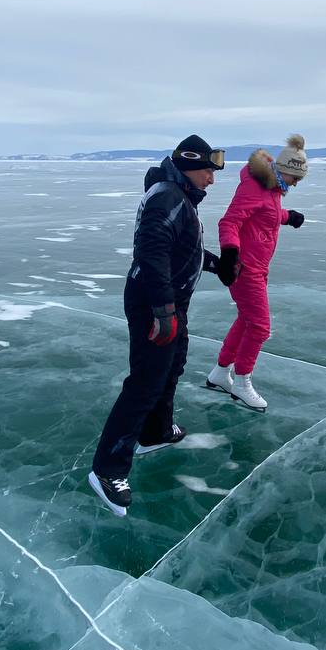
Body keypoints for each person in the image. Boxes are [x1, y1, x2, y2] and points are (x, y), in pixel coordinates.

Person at [88, 134, 232, 516]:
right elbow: (151, 253)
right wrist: (163, 311)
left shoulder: (178, 195)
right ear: (188, 165)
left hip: (167, 301)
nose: (212, 180)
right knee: (145, 382)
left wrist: (216, 265)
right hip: (153, 301)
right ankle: (106, 471)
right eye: (208, 171)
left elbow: (180, 248)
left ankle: (155, 432)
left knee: (171, 367)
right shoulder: (167, 196)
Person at [206, 134, 308, 410]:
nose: (296, 184)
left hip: (259, 267)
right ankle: (241, 383)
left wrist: (289, 217)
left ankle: (220, 373)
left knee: (247, 320)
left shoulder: (272, 189)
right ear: (283, 170)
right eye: (295, 178)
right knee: (260, 327)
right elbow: (230, 222)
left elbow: (266, 214)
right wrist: (229, 254)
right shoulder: (254, 187)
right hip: (244, 268)